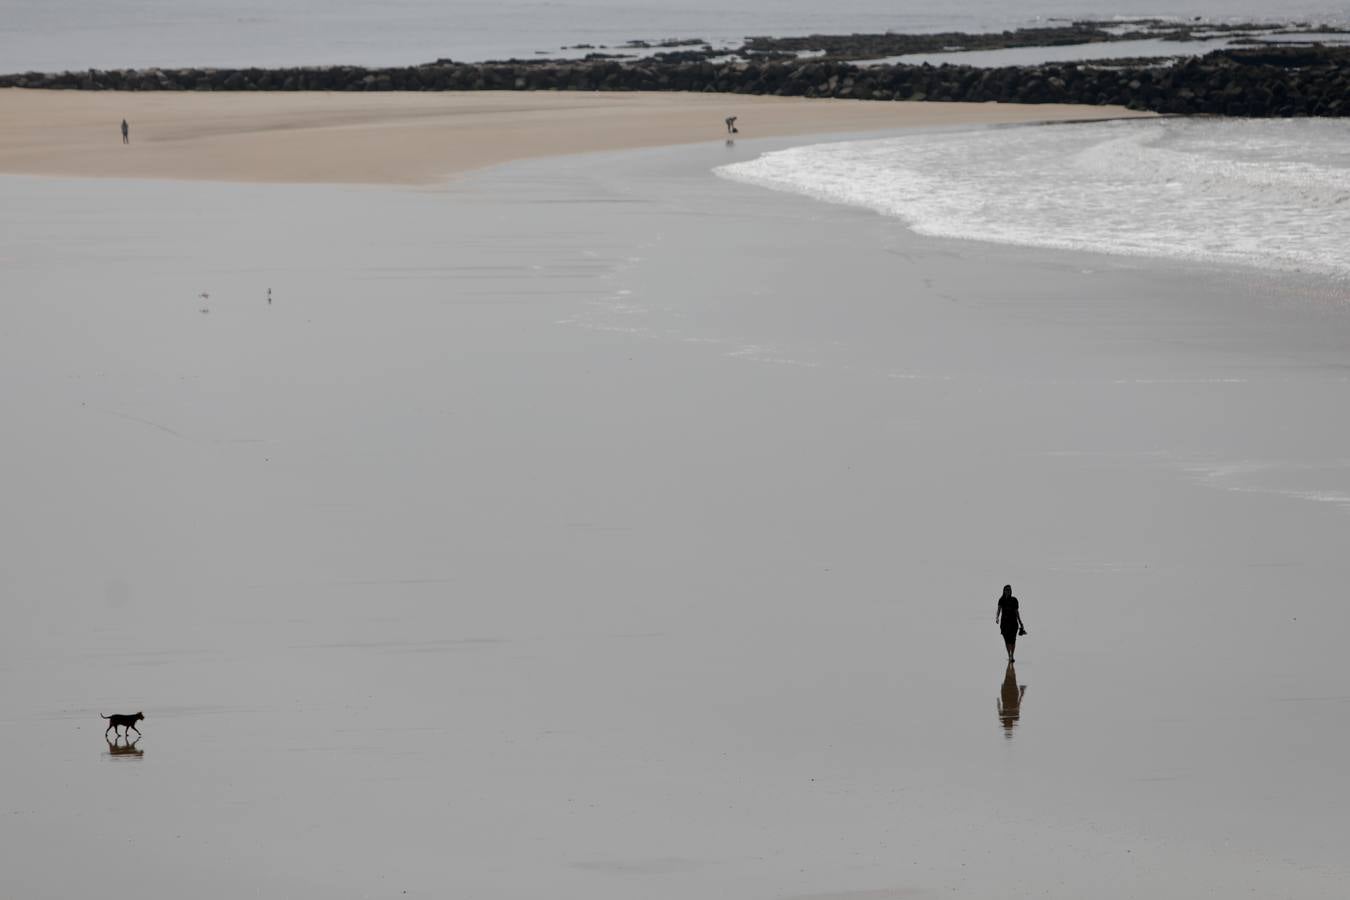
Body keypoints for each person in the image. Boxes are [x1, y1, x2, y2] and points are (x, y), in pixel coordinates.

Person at [995, 584, 1026, 662]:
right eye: (1007, 590)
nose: (1008, 591)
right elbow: (999, 610)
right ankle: (1009, 655)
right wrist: (997, 617)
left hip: (1013, 623)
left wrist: (1021, 622)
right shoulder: (1001, 600)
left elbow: (1016, 612)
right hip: (1004, 624)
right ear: (1004, 591)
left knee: (1013, 640)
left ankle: (1012, 655)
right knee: (1006, 640)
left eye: (1009, 590)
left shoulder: (1014, 600)